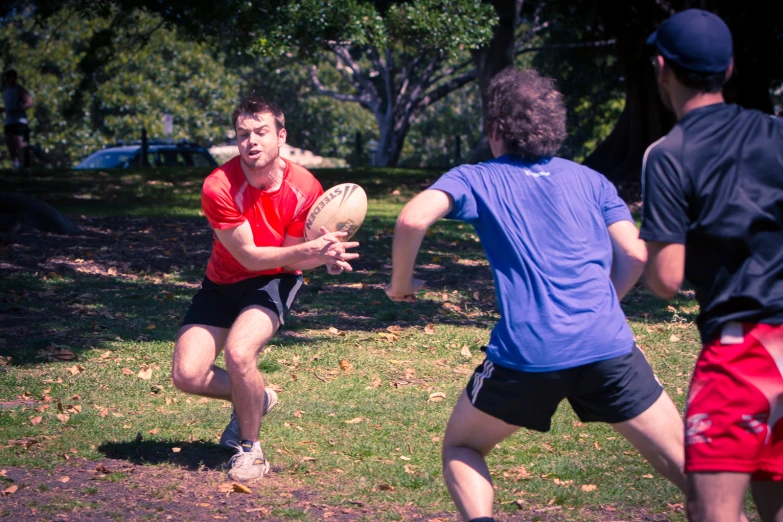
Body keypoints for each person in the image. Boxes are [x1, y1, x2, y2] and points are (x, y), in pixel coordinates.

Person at [385, 67, 686, 522]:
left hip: (526, 355)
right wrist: (603, 302)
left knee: (462, 446)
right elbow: (636, 255)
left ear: (495, 129)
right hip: (606, 345)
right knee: (691, 470)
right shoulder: (592, 181)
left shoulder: (476, 177)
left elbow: (411, 219)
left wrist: (401, 285)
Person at [171, 96, 359, 482]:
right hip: (224, 279)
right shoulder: (219, 186)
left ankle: (250, 450)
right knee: (186, 375)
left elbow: (288, 262)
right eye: (243, 134)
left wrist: (323, 259)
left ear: (281, 136)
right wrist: (312, 249)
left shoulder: (305, 186)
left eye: (261, 132)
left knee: (240, 352)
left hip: (276, 278)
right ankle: (257, 397)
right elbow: (249, 257)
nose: (251, 141)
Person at [641, 9, 783, 522]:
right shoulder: (776, 133)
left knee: (711, 511)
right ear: (727, 71)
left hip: (742, 353)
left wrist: (649, 251)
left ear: (663, 68)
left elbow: (667, 279)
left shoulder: (669, 155)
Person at [1, 70, 33, 169]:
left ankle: (26, 163)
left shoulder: (19, 89)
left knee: (20, 144)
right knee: (9, 142)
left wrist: (18, 109)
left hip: (20, 121)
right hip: (9, 121)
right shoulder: (6, 91)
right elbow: (7, 107)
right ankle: (16, 164)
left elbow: (29, 102)